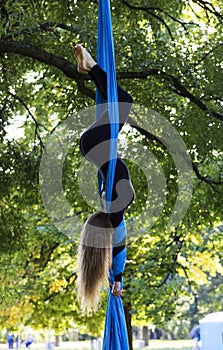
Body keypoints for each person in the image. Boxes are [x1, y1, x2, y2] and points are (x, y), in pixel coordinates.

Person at [73, 44, 135, 311]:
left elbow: (118, 253)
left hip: (97, 144)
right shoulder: (112, 210)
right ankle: (89, 68)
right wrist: (115, 279)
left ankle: (90, 67)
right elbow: (115, 255)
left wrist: (118, 279)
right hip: (96, 146)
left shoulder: (115, 211)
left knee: (123, 102)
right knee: (119, 101)